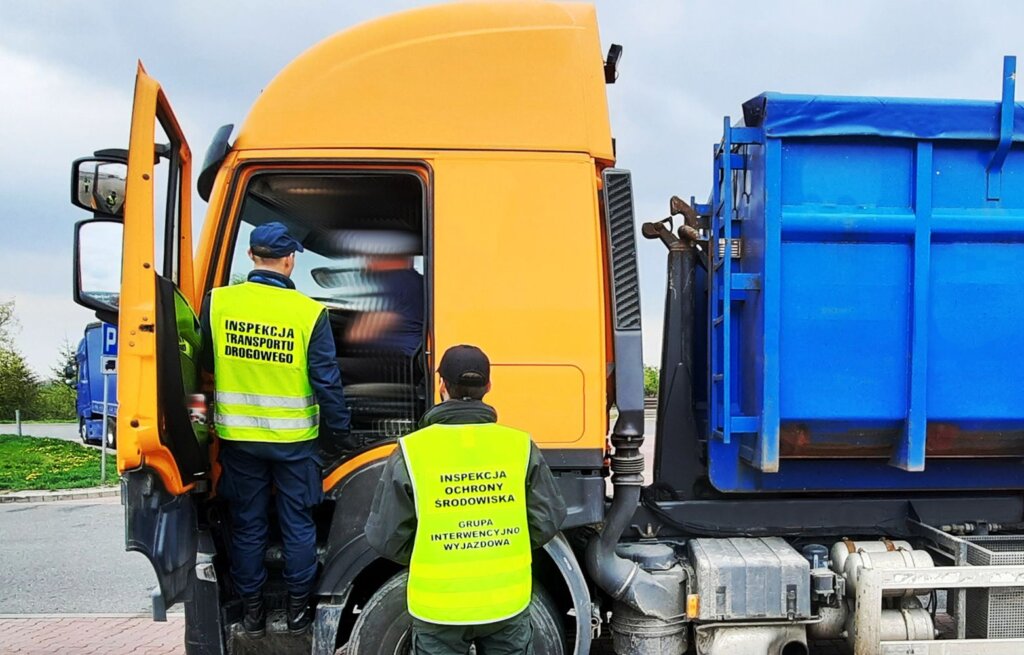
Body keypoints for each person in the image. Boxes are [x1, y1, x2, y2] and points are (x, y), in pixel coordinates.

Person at [200, 221, 359, 637]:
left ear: (251, 256)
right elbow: (327, 382)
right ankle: (297, 613)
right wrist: (340, 435)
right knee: (298, 526)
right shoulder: (308, 313)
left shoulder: (218, 304)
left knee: (249, 526)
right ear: (289, 260)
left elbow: (203, 364)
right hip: (294, 444)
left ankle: (252, 614)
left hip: (239, 442)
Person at [365, 345, 567, 655]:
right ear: (489, 387)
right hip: (505, 603)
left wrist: (437, 554)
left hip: (438, 608)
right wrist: (498, 548)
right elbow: (548, 519)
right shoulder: (519, 446)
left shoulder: (411, 451)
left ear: (442, 386)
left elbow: (386, 537)